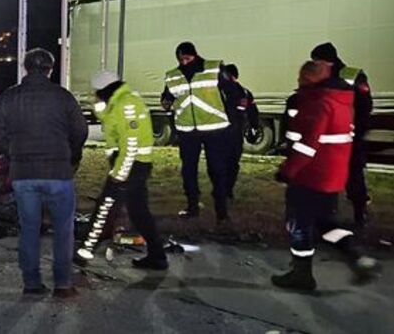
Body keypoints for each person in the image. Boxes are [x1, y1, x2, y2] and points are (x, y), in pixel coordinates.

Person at [0, 48, 88, 298]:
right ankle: (63, 284)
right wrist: (70, 152)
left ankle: (31, 283)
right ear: (50, 69)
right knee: (63, 230)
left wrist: (13, 152)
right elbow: (80, 131)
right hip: (58, 172)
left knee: (29, 229)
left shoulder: (10, 97)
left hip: (23, 173)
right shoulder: (62, 97)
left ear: (25, 68)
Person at [272, 61, 379, 291]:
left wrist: (287, 171)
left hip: (310, 176)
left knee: (298, 224)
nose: (298, 80)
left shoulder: (318, 103)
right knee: (325, 223)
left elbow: (306, 146)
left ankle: (301, 274)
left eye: (302, 76)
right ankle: (358, 259)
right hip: (332, 177)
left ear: (310, 78)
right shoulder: (341, 101)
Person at [77, 70, 167, 270]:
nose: (94, 95)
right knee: (139, 212)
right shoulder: (120, 100)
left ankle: (85, 250)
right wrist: (99, 104)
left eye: (96, 91)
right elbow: (108, 119)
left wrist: (120, 173)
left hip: (130, 164)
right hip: (134, 164)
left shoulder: (126, 104)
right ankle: (157, 256)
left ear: (103, 89)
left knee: (105, 207)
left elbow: (131, 143)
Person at [160, 42, 233, 223]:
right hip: (187, 130)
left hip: (213, 128)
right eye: (181, 59)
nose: (184, 62)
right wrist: (166, 102)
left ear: (195, 55)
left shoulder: (213, 69)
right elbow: (167, 97)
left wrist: (233, 117)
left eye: (187, 58)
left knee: (216, 170)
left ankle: (221, 211)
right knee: (188, 171)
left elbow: (231, 92)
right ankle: (192, 206)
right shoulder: (173, 76)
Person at [310, 42, 373, 228]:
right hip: (348, 137)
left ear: (325, 60)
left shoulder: (331, 77)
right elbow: (366, 106)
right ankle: (357, 214)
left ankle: (338, 215)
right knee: (353, 176)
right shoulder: (353, 76)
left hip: (336, 138)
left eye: (316, 60)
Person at [222, 64, 260, 199]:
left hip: (222, 134)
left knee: (223, 163)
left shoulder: (221, 92)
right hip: (235, 134)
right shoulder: (245, 92)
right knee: (232, 163)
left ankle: (224, 189)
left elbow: (253, 112)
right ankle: (227, 190)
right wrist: (254, 128)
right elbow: (253, 113)